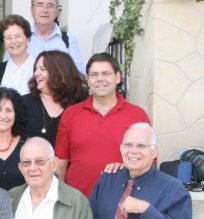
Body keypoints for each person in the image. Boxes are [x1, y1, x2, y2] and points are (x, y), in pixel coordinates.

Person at [55, 52, 150, 197]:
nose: (100, 79)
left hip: (122, 204)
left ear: (118, 77)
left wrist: (128, 167)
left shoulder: (137, 115)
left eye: (106, 73)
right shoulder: (71, 114)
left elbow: (149, 162)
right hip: (79, 203)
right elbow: (60, 164)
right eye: (94, 74)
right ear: (88, 80)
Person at [21, 50, 87, 146]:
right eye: (36, 69)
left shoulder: (82, 103)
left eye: (42, 69)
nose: (36, 73)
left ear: (60, 72)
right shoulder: (23, 103)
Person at [24, 0, 84, 73]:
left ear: (57, 12)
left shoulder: (69, 40)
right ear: (32, 10)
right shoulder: (21, 39)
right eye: (40, 5)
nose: (45, 10)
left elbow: (79, 74)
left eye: (50, 6)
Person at [0, 15, 34, 95]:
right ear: (4, 43)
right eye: (8, 38)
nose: (13, 41)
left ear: (28, 38)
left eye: (18, 36)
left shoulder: (41, 69)